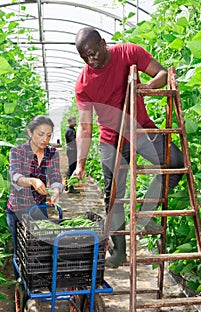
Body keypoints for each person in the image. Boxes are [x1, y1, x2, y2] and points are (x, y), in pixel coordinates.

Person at [73, 27, 184, 268]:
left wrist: (146, 88)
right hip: (111, 138)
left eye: (93, 53)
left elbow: (162, 73)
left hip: (140, 127)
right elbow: (84, 126)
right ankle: (120, 251)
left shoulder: (128, 53)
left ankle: (146, 214)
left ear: (103, 43)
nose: (90, 60)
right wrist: (80, 165)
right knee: (113, 195)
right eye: (84, 57)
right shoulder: (83, 83)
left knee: (175, 163)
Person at [6, 115, 63, 276]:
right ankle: (22, 286)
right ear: (30, 132)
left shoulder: (52, 153)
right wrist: (31, 181)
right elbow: (15, 177)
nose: (45, 139)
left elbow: (56, 177)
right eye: (40, 134)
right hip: (18, 208)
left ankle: (37, 282)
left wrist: (56, 190)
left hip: (38, 208)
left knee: (40, 247)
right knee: (21, 249)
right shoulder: (17, 152)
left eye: (49, 135)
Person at [65, 116, 80, 193]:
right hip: (72, 151)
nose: (75, 122)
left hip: (72, 151)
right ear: (70, 122)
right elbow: (73, 142)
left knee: (72, 167)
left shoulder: (71, 130)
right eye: (74, 121)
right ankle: (70, 186)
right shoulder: (70, 131)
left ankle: (68, 185)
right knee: (72, 168)